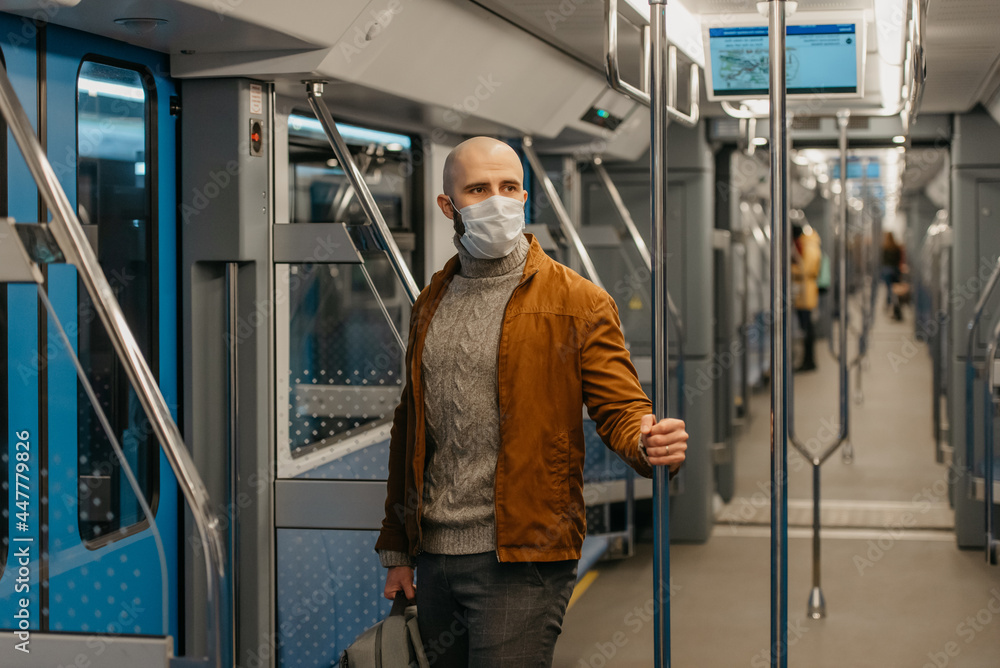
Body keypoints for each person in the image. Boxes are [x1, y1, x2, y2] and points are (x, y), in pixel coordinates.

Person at [374, 137, 687, 667]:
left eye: (509, 187)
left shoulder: (578, 301)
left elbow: (620, 407)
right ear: (448, 207)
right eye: (478, 189)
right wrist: (399, 550)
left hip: (524, 556)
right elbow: (411, 428)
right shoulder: (432, 298)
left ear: (524, 197)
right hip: (435, 556)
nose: (497, 200)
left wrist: (646, 439)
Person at [791, 223, 821, 372]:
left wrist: (789, 269)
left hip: (805, 292)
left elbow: (806, 269)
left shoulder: (808, 246)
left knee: (807, 328)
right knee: (806, 328)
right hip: (805, 292)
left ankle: (809, 361)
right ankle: (807, 360)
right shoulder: (810, 244)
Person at [881, 231, 906, 320]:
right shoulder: (897, 247)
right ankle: (896, 307)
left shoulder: (884, 247)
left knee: (888, 289)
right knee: (895, 290)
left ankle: (889, 306)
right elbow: (900, 259)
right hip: (895, 270)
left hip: (887, 270)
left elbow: (882, 260)